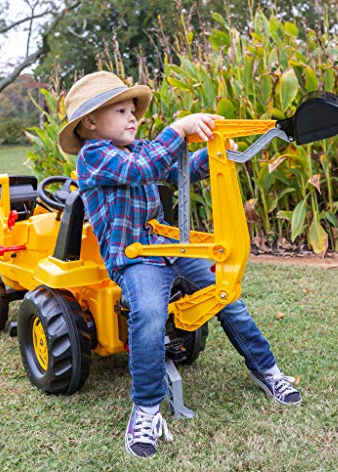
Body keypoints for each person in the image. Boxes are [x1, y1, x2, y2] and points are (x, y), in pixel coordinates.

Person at [58, 71, 301, 459]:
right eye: (121, 111)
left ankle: (267, 370)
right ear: (90, 123)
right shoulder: (94, 157)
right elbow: (146, 170)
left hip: (172, 246)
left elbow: (176, 168)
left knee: (227, 296)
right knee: (150, 314)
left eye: (133, 109)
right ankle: (147, 408)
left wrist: (217, 152)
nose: (132, 116)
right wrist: (177, 128)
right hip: (136, 259)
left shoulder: (139, 149)